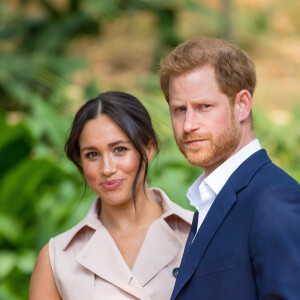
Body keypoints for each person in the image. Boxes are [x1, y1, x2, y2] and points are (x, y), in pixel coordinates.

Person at [159, 37, 300, 299]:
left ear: (242, 105)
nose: (189, 124)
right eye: (179, 109)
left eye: (204, 107)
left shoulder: (275, 201)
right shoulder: (210, 197)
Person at [29, 91, 193, 300]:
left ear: (149, 149)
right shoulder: (57, 258)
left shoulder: (198, 233)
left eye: (119, 149)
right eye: (92, 155)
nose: (107, 168)